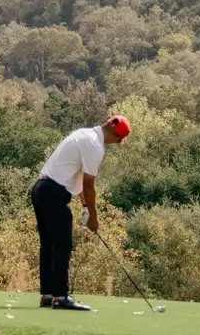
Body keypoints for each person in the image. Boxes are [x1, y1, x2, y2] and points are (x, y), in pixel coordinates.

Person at [31, 115, 130, 310]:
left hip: (41, 188)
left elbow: (79, 181)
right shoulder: (95, 146)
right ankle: (60, 297)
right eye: (118, 141)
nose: (115, 144)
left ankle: (48, 295)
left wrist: (85, 207)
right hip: (54, 193)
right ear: (115, 136)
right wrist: (93, 216)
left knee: (48, 245)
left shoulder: (84, 134)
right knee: (62, 245)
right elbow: (89, 184)